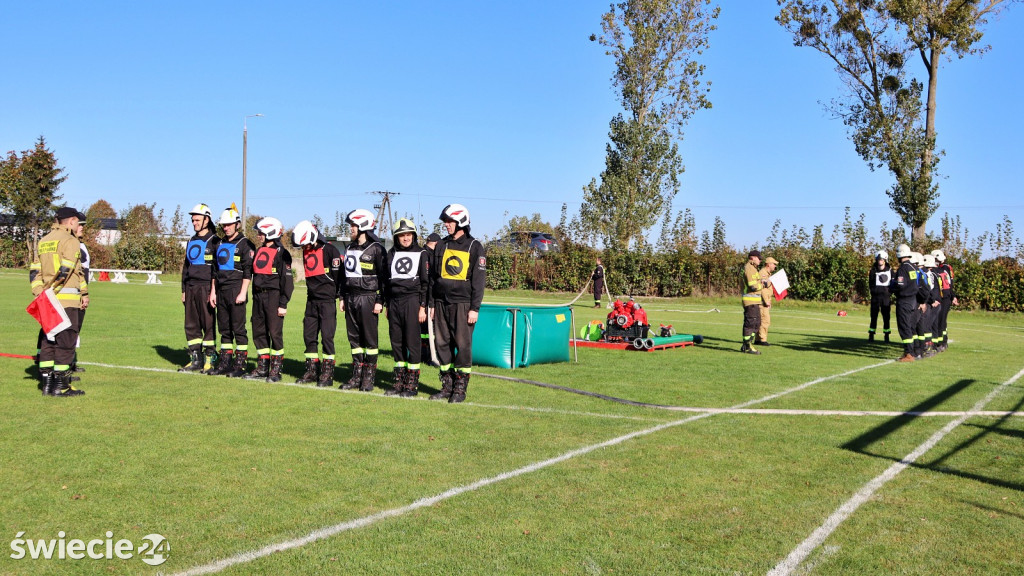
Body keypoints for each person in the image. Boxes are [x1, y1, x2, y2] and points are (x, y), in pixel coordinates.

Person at [428, 203, 486, 403]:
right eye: (445, 221)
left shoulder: (474, 246)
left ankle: (460, 389)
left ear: (461, 221)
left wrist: (474, 308)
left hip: (463, 305)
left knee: (462, 345)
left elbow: (479, 281)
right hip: (441, 303)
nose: (446, 225)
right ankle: (447, 386)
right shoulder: (442, 245)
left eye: (450, 221)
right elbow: (434, 278)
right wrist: (433, 304)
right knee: (442, 344)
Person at [30, 207, 88, 396]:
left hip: (46, 299)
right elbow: (67, 270)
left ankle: (46, 384)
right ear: (71, 221)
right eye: (78, 222)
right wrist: (53, 292)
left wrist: (41, 293)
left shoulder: (44, 240)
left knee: (49, 340)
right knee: (66, 342)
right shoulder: (70, 241)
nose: (78, 226)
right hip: (65, 300)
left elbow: (34, 271)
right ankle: (61, 386)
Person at [339, 209, 387, 391]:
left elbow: (384, 278)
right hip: (351, 298)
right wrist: (342, 296)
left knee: (370, 340)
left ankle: (368, 377)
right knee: (354, 340)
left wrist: (380, 300)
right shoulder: (349, 248)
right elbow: (344, 276)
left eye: (353, 225)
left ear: (363, 226)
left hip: (368, 298)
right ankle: (356, 376)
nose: (350, 229)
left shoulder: (377, 249)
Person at [292, 220, 342, 387]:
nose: (304, 248)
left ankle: (327, 374)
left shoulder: (330, 251)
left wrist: (339, 297)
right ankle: (311, 371)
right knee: (309, 336)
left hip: (327, 302)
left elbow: (338, 279)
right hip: (311, 301)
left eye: (305, 245)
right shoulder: (306, 252)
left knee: (327, 337)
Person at [244, 217, 293, 382]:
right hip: (258, 296)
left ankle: (276, 370)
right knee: (259, 332)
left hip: (274, 297)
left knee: (274, 333)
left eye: (261, 232)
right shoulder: (259, 250)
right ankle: (262, 367)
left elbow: (287, 282)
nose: (258, 235)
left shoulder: (282, 253)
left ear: (270, 232)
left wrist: (283, 303)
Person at [384, 218, 430, 397]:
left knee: (413, 342)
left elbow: (426, 283)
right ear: (396, 237)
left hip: (412, 301)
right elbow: (386, 281)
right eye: (402, 235)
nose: (405, 238)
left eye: (408, 234)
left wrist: (422, 307)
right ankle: (399, 380)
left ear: (414, 235)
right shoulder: (391, 253)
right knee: (396, 342)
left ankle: (412, 382)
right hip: (394, 302)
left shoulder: (421, 253)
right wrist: (387, 304)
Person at [208, 207, 255, 377]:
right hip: (221, 291)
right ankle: (225, 363)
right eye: (223, 225)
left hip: (237, 290)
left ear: (237, 224)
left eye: (229, 225)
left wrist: (243, 293)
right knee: (224, 329)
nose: (226, 228)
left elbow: (248, 271)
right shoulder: (219, 243)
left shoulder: (245, 244)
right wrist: (213, 292)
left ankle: (240, 365)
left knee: (238, 329)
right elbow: (214, 270)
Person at [179, 204, 221, 373]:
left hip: (206, 287)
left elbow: (217, 270)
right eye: (193, 220)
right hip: (191, 288)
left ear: (206, 219)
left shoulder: (215, 241)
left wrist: (213, 291)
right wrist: (183, 290)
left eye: (197, 219)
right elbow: (185, 267)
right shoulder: (191, 240)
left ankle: (210, 358)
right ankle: (195, 358)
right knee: (191, 324)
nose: (194, 222)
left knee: (208, 323)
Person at [892, 244, 924, 362]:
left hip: (904, 300)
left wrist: (892, 286)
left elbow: (900, 285)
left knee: (904, 327)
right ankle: (912, 351)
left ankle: (909, 354)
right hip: (913, 300)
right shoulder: (914, 267)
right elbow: (919, 285)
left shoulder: (903, 268)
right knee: (910, 327)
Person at [420, 232, 442, 366]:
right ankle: (429, 356)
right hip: (427, 297)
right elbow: (429, 281)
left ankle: (423, 354)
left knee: (423, 331)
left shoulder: (421, 252)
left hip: (419, 297)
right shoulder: (429, 256)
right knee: (428, 330)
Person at [931, 249, 957, 352]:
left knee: (940, 321)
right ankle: (943, 342)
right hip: (946, 296)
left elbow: (948, 285)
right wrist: (953, 296)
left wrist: (952, 296)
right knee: (942, 321)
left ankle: (940, 343)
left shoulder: (940, 270)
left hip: (943, 297)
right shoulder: (946, 268)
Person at [740, 250, 764, 354]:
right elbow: (753, 286)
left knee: (756, 323)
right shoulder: (749, 268)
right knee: (750, 323)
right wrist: (763, 285)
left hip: (755, 301)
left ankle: (749, 344)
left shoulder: (753, 269)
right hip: (750, 301)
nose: (760, 260)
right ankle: (747, 345)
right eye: (759, 258)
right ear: (753, 258)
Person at [868, 250, 893, 342]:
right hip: (875, 298)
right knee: (873, 317)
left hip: (886, 298)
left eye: (881, 259)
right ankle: (871, 335)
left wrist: (890, 292)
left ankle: (886, 336)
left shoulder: (890, 271)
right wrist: (873, 292)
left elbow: (893, 283)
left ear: (885, 260)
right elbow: (870, 283)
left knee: (886, 317)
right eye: (878, 259)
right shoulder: (873, 271)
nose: (880, 261)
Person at [756, 256, 778, 346]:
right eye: (774, 264)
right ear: (768, 264)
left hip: (765, 301)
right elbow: (763, 289)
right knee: (765, 321)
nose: (775, 266)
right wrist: (766, 301)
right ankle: (762, 339)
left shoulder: (767, 274)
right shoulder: (763, 274)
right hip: (762, 302)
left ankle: (758, 339)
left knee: (761, 320)